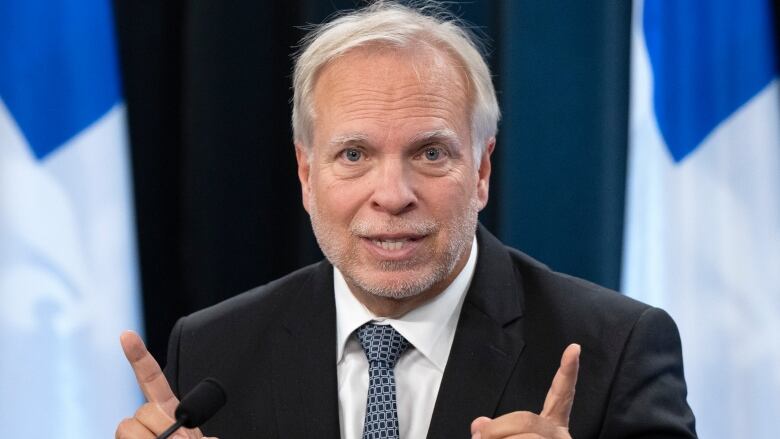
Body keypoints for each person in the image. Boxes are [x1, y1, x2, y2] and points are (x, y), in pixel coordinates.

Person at [115, 2, 697, 438]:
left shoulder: (616, 349)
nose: (392, 196)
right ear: (305, 173)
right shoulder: (213, 349)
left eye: (430, 153)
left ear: (482, 170)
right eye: (354, 155)